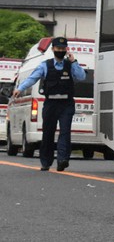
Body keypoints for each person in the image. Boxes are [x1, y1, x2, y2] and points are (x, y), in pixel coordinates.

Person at [11, 37, 86, 172]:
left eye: (63, 49)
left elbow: (81, 77)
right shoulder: (45, 65)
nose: (61, 51)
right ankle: (46, 161)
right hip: (51, 103)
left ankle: (62, 160)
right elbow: (32, 78)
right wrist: (19, 89)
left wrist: (74, 61)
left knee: (65, 132)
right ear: (53, 49)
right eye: (58, 49)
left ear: (66, 50)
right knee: (48, 133)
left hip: (66, 104)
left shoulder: (70, 65)